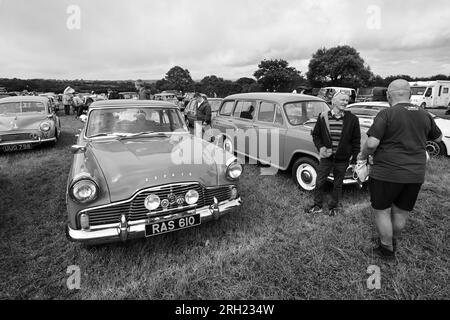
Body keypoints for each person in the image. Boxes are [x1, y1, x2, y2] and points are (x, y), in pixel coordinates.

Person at [357, 79, 442, 259]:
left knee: (382, 210)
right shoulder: (424, 114)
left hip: (386, 173)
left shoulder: (386, 114)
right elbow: (438, 138)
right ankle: (393, 240)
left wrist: (362, 156)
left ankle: (386, 249)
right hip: (415, 174)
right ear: (410, 95)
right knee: (401, 211)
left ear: (389, 95)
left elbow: (371, 143)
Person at [308, 92, 361, 216]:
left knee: (338, 184)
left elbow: (356, 140)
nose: (345, 102)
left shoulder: (352, 119)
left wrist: (353, 160)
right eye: (342, 99)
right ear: (334, 101)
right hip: (327, 157)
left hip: (342, 159)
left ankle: (333, 207)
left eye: (347, 100)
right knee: (320, 181)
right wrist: (320, 147)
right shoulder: (323, 116)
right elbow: (316, 135)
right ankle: (317, 205)